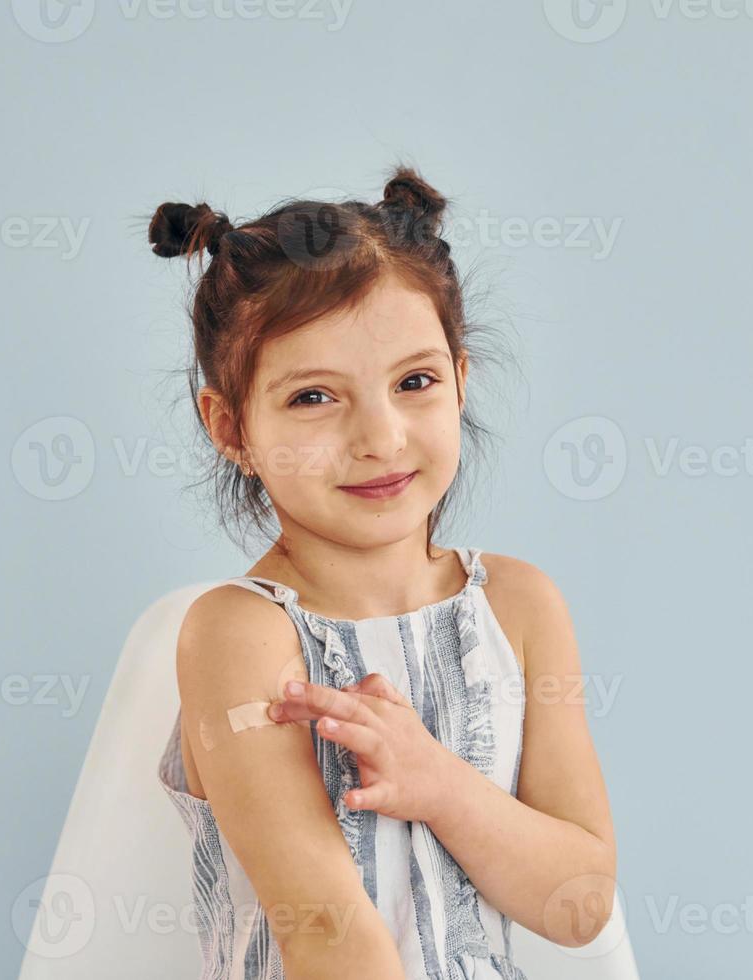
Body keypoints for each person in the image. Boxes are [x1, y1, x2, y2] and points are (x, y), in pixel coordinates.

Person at [151, 164, 617, 980]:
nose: (381, 437)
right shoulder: (242, 634)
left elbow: (577, 908)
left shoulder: (518, 607)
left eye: (414, 382)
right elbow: (328, 935)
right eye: (312, 398)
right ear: (230, 425)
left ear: (460, 380)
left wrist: (439, 783)